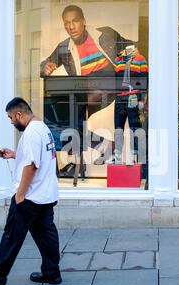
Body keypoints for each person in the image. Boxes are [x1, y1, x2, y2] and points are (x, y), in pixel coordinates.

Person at [0, 98, 61, 285]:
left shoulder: (31, 133)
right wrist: (14, 154)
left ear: (19, 114)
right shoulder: (42, 128)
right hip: (45, 194)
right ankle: (52, 273)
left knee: (11, 236)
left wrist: (20, 195)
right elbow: (38, 158)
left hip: (30, 196)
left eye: (11, 117)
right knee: (46, 234)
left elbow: (32, 166)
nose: (11, 122)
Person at [41, 5, 140, 165]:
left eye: (75, 21)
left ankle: (104, 146)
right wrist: (45, 67)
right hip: (85, 88)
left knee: (71, 120)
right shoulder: (64, 48)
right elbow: (45, 65)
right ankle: (105, 146)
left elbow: (132, 47)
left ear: (84, 21)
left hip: (108, 83)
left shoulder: (105, 34)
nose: (70, 27)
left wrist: (128, 67)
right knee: (62, 120)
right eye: (66, 23)